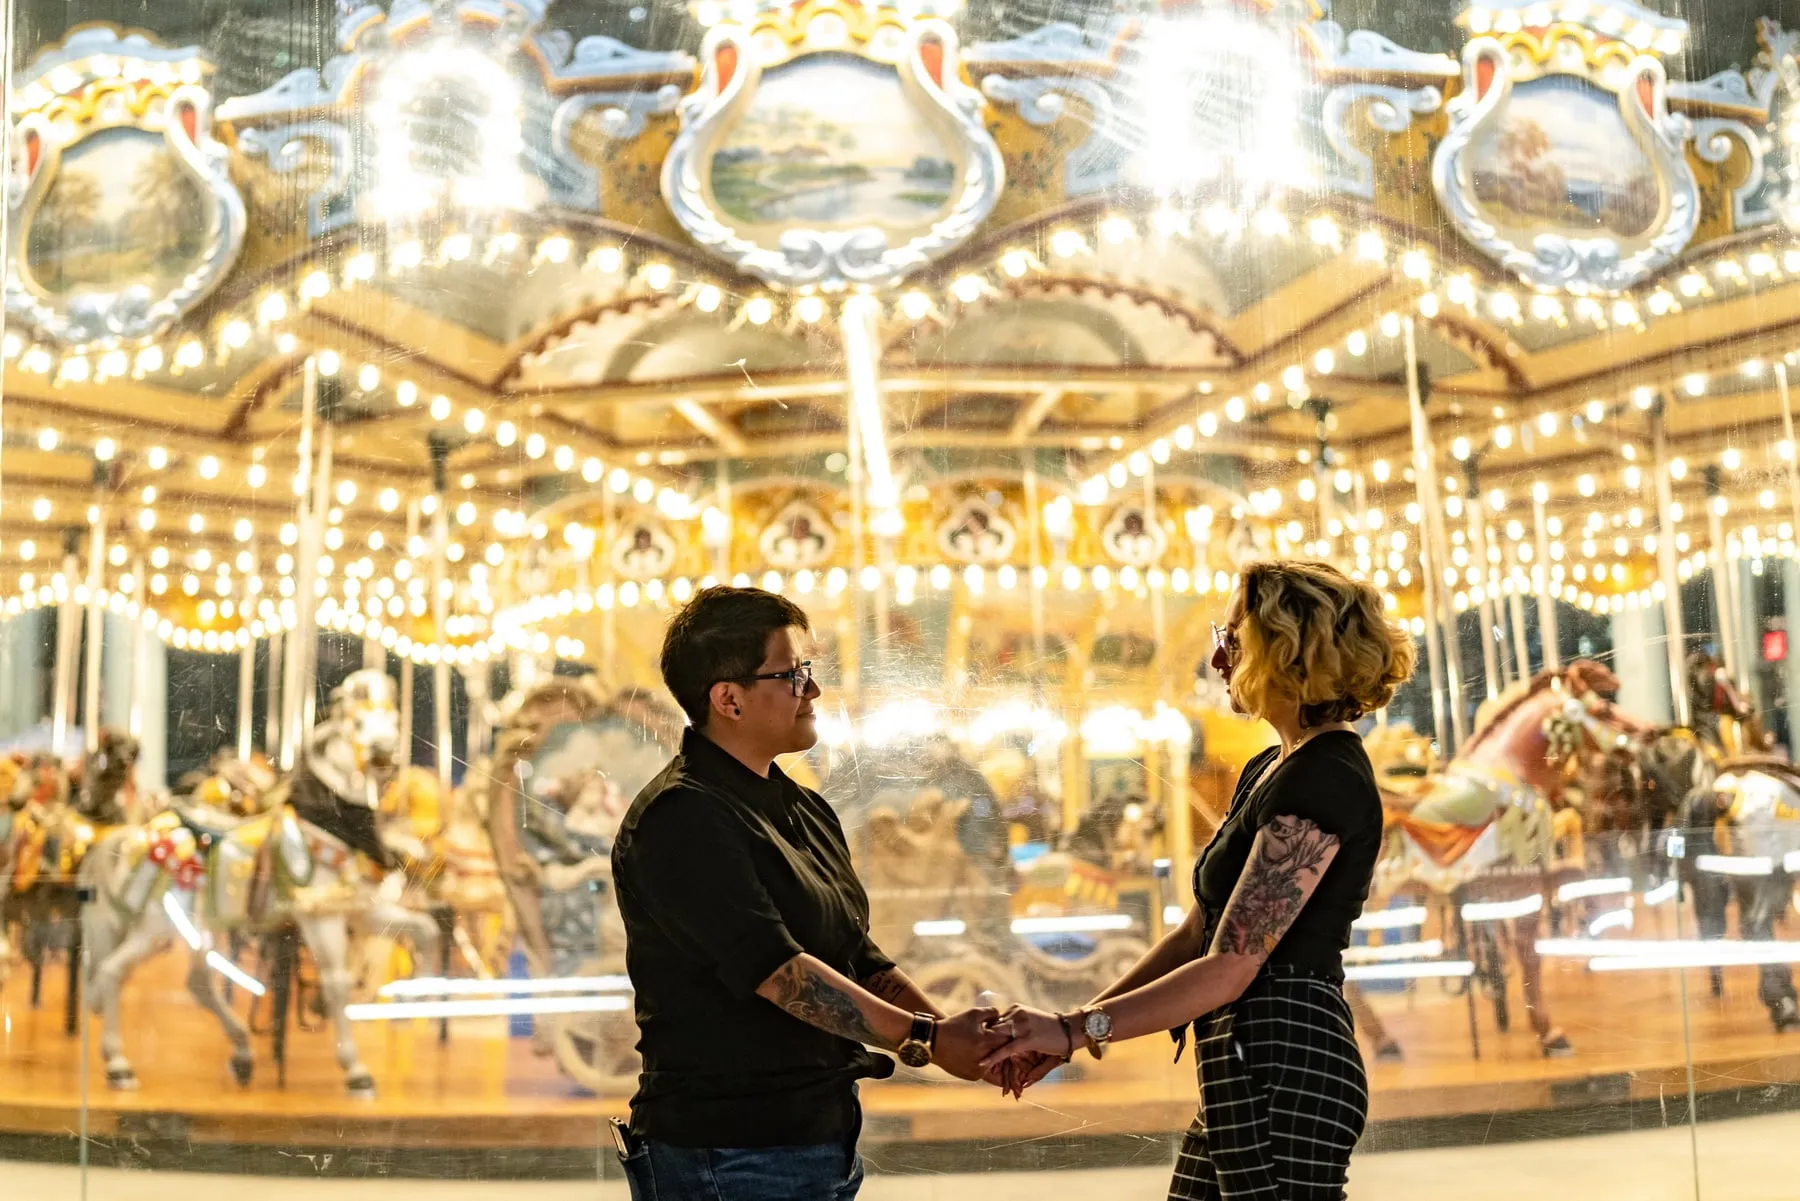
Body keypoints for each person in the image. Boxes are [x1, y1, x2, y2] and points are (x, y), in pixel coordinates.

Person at [980, 559, 1416, 1201]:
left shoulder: (1324, 777)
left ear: (1288, 650)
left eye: (1234, 637)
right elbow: (1198, 933)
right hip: (1247, 1056)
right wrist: (1073, 1030)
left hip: (1287, 1061)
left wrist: (1077, 1029)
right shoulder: (1272, 767)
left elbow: (1230, 965)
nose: (1218, 658)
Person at [611, 586, 1007, 1201]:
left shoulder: (801, 806)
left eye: (810, 671)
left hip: (815, 1135)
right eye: (793, 674)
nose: (814, 691)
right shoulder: (682, 816)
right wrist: (927, 1041)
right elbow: (780, 974)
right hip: (729, 1151)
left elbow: (857, 953)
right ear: (729, 700)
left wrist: (947, 1031)